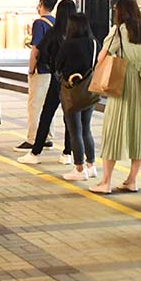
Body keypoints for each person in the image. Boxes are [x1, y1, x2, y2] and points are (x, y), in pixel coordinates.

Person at [88, 0, 141, 195]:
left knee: (113, 131)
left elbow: (102, 57)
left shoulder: (119, 30)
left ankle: (105, 182)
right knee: (139, 132)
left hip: (123, 85)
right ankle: (132, 180)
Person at [18, 0, 76, 165]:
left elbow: (40, 51)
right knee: (69, 117)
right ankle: (67, 153)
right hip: (73, 82)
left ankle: (35, 152)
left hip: (57, 80)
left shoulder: (54, 32)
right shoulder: (78, 33)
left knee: (46, 114)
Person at [55, 12, 98, 181]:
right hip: (89, 91)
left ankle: (79, 169)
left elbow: (57, 65)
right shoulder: (94, 43)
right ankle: (91, 165)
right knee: (86, 129)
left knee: (75, 131)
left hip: (72, 92)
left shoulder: (67, 45)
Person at [17, 0, 58, 151]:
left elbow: (35, 50)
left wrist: (31, 68)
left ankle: (33, 138)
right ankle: (48, 136)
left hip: (41, 70)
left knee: (34, 105)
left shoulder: (39, 24)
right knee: (48, 105)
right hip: (53, 70)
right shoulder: (56, 22)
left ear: (41, 3)